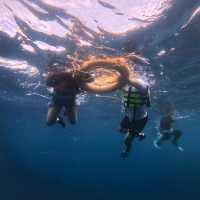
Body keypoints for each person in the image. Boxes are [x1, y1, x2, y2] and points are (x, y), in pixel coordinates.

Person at [46, 59, 93, 128]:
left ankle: (68, 111)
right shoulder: (59, 74)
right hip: (56, 101)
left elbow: (91, 80)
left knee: (73, 122)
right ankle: (58, 118)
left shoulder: (79, 76)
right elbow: (49, 83)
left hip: (70, 102)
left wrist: (85, 75)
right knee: (49, 123)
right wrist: (67, 74)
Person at [120, 78, 151, 158]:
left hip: (140, 119)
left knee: (126, 141)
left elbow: (148, 104)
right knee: (122, 129)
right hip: (129, 116)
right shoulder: (125, 86)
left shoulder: (142, 86)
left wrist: (126, 79)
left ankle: (126, 151)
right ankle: (138, 134)